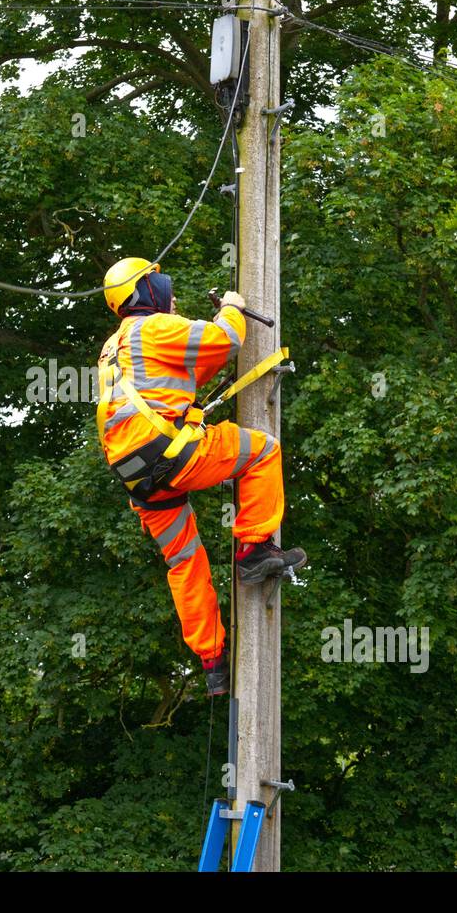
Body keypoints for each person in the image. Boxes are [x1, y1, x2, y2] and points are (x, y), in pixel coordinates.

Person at [95, 258, 306, 696]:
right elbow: (222, 339)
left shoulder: (114, 347)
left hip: (139, 478)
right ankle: (254, 548)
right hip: (171, 456)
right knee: (263, 451)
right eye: (162, 285)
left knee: (183, 559)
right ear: (146, 291)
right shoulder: (152, 328)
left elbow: (186, 371)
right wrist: (231, 307)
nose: (170, 294)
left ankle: (212, 661)